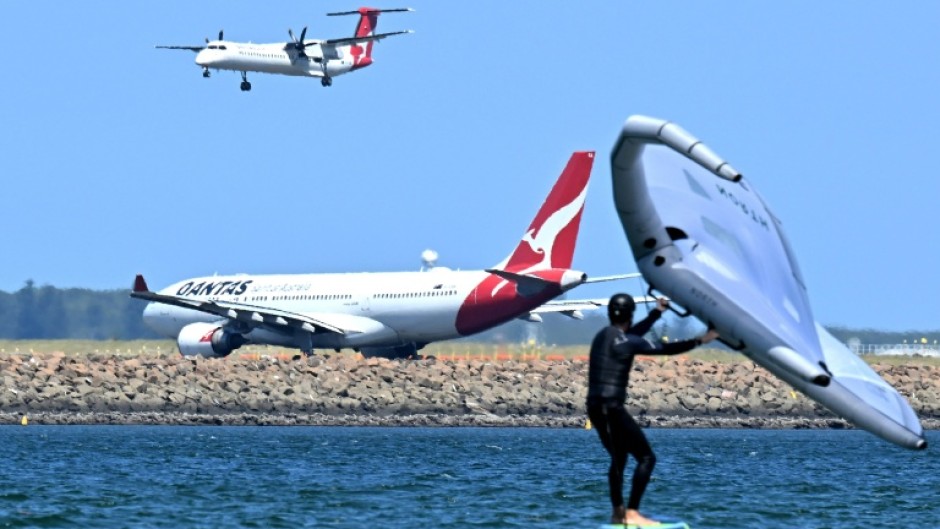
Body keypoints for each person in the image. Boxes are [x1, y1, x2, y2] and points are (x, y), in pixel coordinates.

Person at [588, 293, 719, 526]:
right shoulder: (627, 340)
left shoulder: (602, 336)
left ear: (610, 313)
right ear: (630, 315)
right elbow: (665, 349)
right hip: (612, 407)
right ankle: (632, 512)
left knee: (618, 458)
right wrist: (701, 340)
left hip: (595, 407)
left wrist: (657, 313)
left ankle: (617, 513)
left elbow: (631, 335)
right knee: (646, 458)